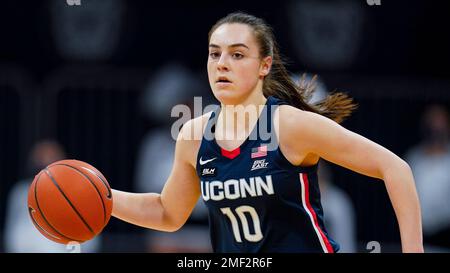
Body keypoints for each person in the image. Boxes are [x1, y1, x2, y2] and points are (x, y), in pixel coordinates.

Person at [111, 12, 423, 253]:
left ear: (264, 65)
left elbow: (395, 168)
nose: (221, 64)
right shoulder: (193, 135)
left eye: (237, 54)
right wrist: (103, 199)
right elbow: (168, 212)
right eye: (214, 53)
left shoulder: (289, 125)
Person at [405, 104, 450, 252]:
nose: (436, 129)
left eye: (440, 124)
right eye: (432, 124)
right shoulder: (414, 157)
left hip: (445, 233)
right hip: (418, 233)